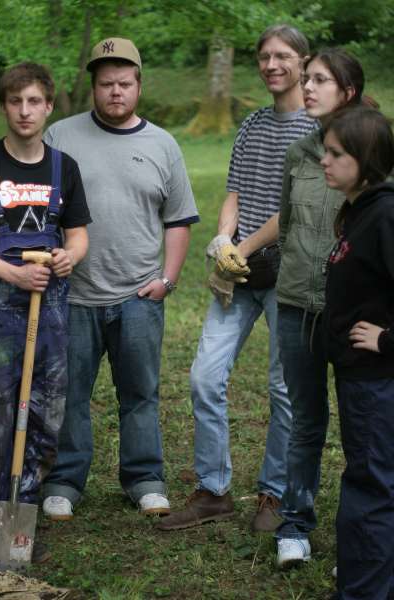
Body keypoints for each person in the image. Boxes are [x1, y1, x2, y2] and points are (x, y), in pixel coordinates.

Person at [158, 24, 316, 533]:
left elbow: (291, 208)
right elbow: (234, 192)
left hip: (290, 275)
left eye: (283, 56)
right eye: (265, 56)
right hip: (240, 276)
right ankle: (213, 490)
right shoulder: (250, 125)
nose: (272, 65)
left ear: (303, 62)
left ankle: (274, 494)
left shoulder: (319, 130)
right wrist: (225, 242)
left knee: (284, 388)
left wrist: (242, 247)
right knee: (205, 376)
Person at [42, 37, 199, 519]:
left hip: (138, 294)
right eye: (106, 83)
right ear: (93, 86)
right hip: (72, 294)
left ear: (139, 86)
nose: (115, 92)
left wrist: (167, 280)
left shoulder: (162, 144)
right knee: (69, 394)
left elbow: (177, 219)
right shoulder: (59, 136)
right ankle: (65, 481)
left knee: (140, 392)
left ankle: (145, 478)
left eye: (124, 84)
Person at [273, 49, 369, 567]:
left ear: (347, 93)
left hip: (352, 316)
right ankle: (295, 526)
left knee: (362, 427)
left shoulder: (375, 155)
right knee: (305, 420)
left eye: (319, 80)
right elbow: (287, 226)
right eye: (305, 79)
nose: (305, 87)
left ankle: (362, 537)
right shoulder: (299, 153)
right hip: (295, 307)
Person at [0, 62, 90, 558]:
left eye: (34, 101)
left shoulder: (62, 167)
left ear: (49, 106)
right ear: (4, 106)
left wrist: (71, 255)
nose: (25, 111)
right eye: (15, 101)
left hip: (48, 308)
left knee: (47, 409)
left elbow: (76, 233)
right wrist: (11, 273)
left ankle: (23, 506)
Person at [321, 106, 394, 600]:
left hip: (378, 380)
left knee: (371, 488)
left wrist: (388, 339)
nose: (324, 161)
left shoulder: (386, 215)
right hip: (360, 378)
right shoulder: (361, 209)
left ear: (364, 161)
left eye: (335, 154)